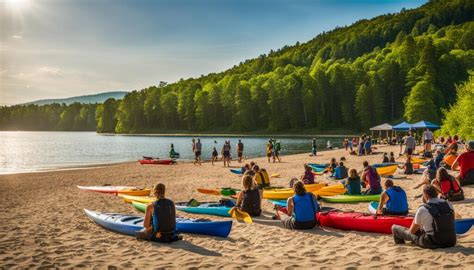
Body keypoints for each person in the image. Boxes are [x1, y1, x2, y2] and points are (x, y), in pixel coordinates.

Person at [391, 185, 456, 249]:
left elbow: (412, 231)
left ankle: (402, 249)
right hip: (451, 241)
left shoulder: (423, 209)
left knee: (395, 228)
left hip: (433, 242)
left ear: (426, 195)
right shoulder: (448, 204)